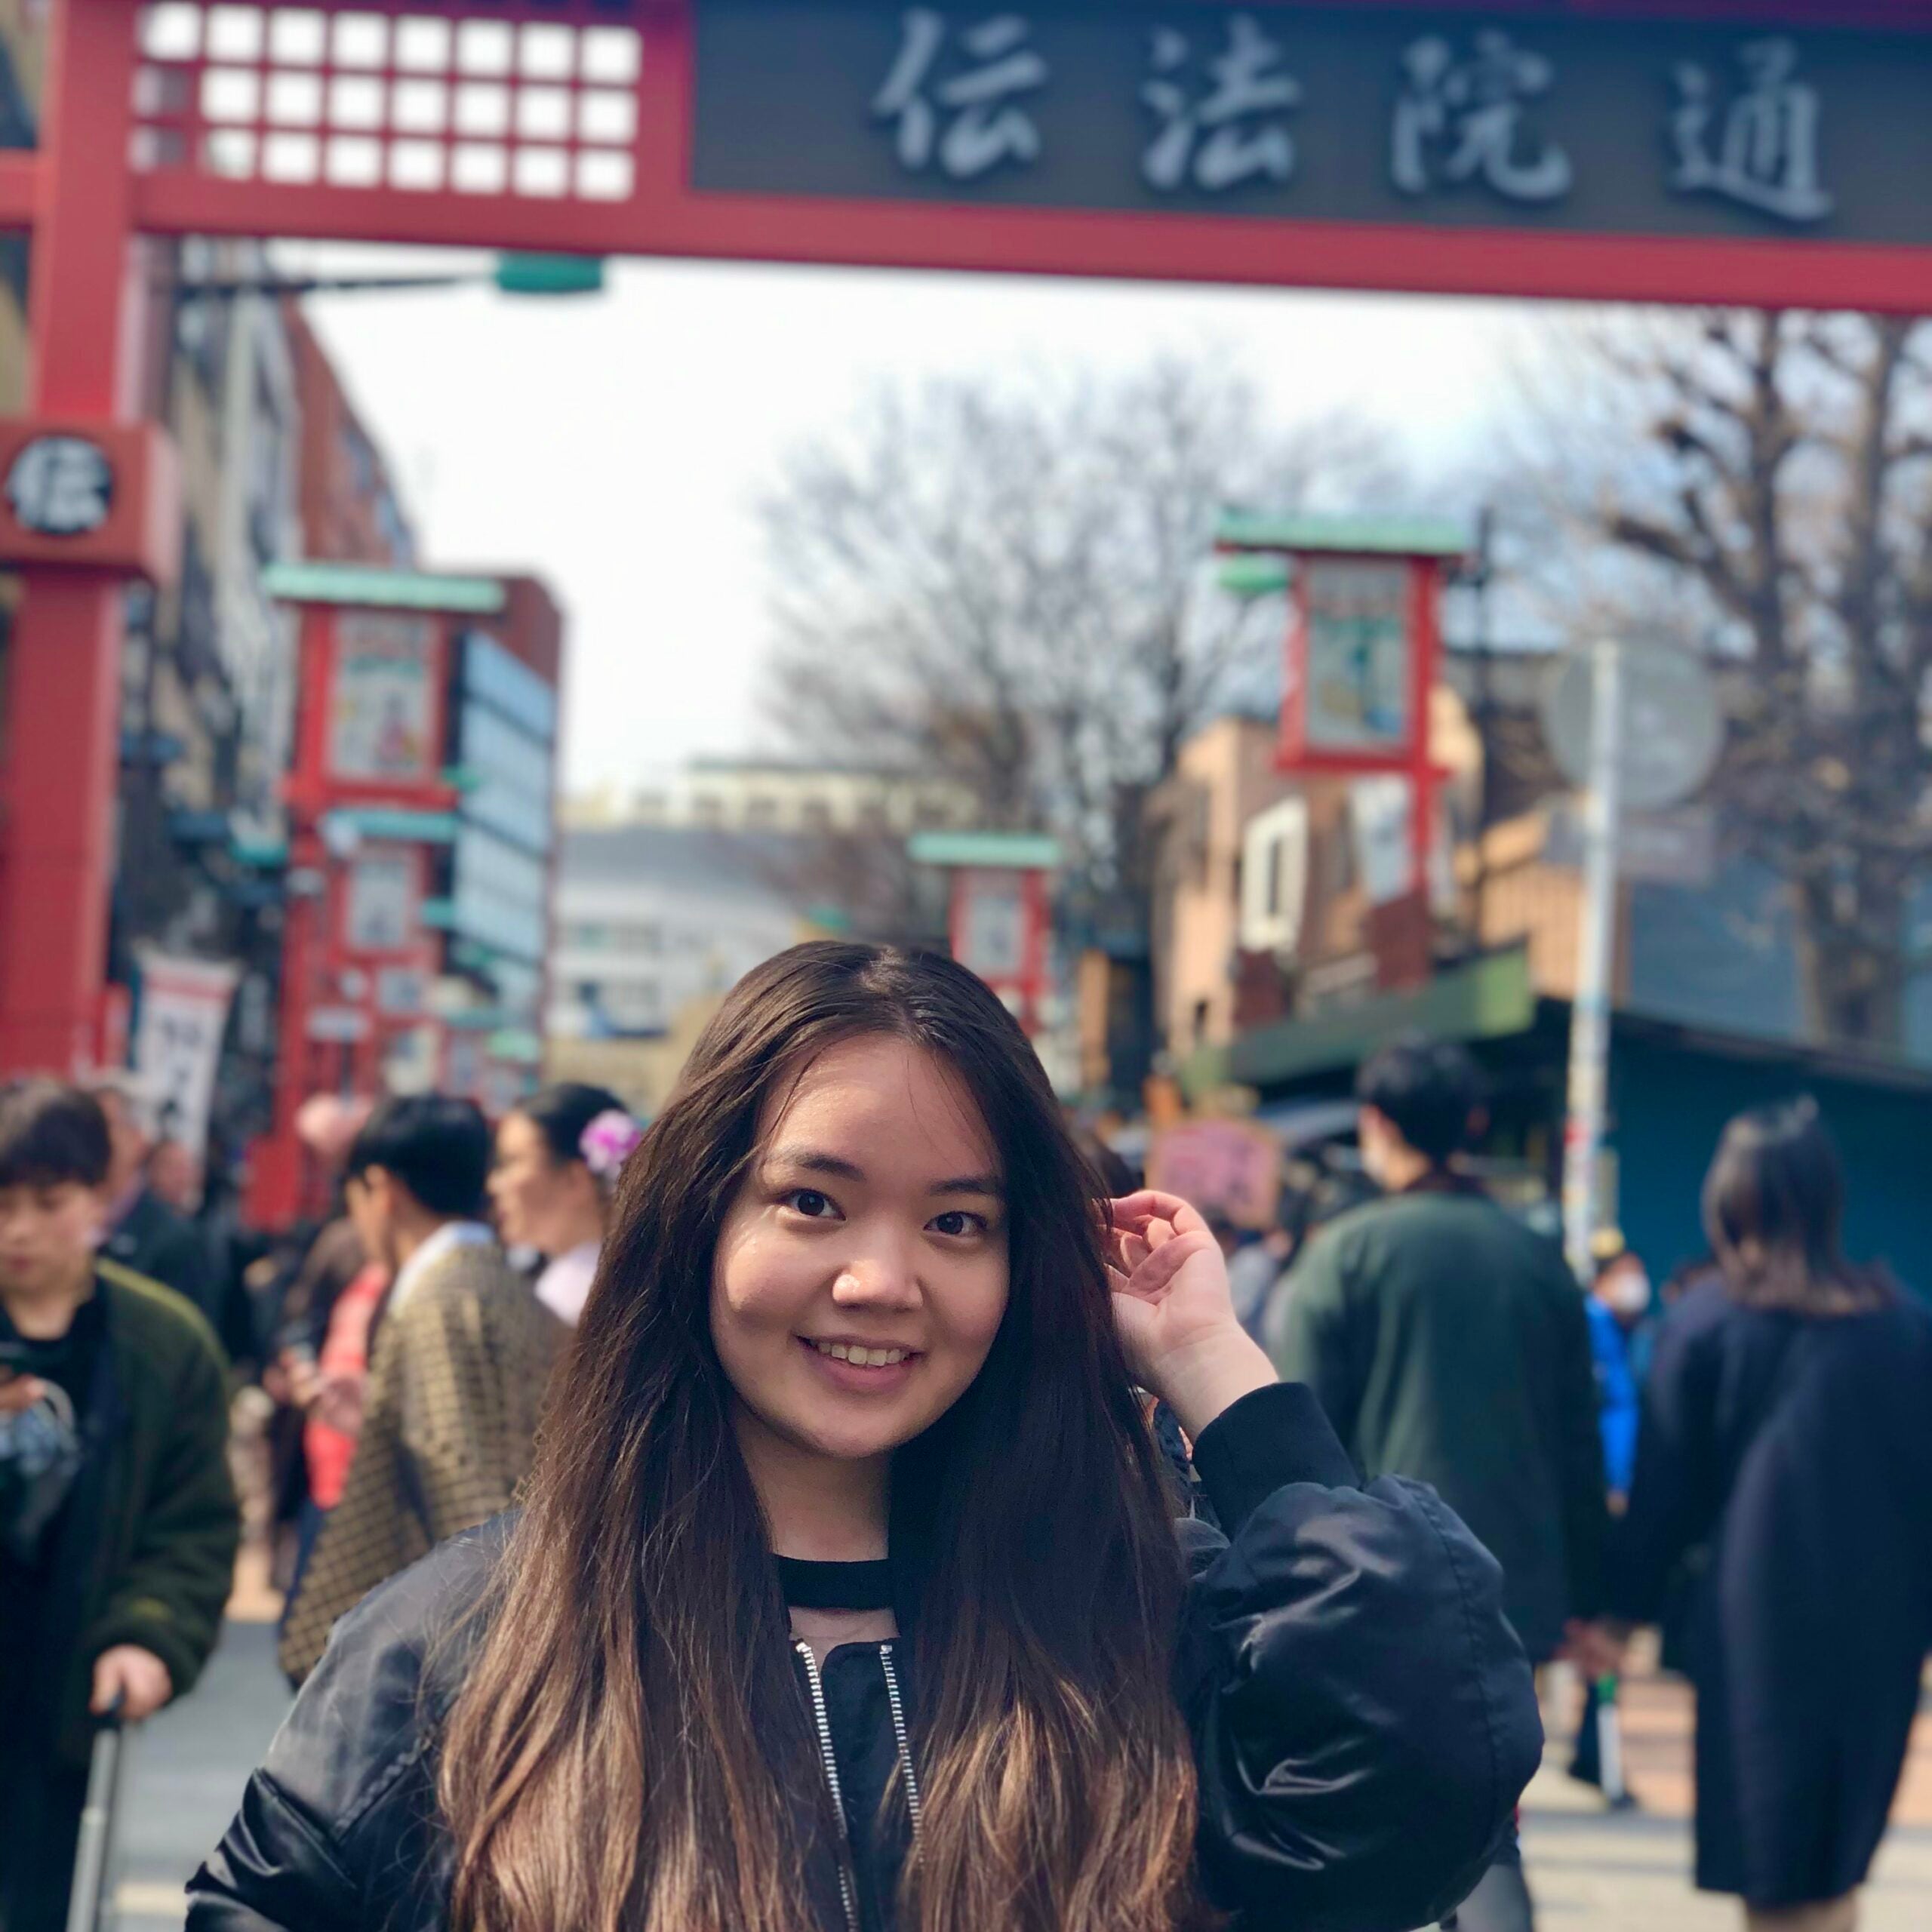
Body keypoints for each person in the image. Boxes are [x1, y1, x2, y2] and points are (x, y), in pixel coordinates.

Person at [192, 943, 1541, 1932]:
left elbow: (1425, 1771)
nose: (883, 1280)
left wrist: (1211, 1368)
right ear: (698, 1221)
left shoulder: (1141, 1625)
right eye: (815, 1204)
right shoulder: (476, 1642)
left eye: (959, 1222)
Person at [1270, 1035, 1609, 1932]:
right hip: (1513, 1585)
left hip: (1367, 1585)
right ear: (1473, 1124)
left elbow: (1294, 1442)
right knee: (1487, 1804)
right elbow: (1578, 1438)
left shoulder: (1343, 1254)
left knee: (1372, 1806)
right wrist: (1592, 1599)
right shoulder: (1538, 1261)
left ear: (1376, 1124)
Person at [1606, 1100, 1932, 1932]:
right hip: (1882, 1631)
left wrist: (1617, 1612)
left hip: (1759, 1632)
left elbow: (1662, 1501)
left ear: (1726, 1199)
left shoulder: (1706, 1322)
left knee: (1774, 1867)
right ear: (1828, 1198)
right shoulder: (1903, 1326)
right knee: (1833, 1859)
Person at [0, 1081, 238, 1932]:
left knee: (42, 1897)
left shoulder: (163, 1343)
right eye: (1, 1203)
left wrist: (148, 1631)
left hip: (65, 1691)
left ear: (100, 1195)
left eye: (46, 1202)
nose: (18, 1228)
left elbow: (195, 1521)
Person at [275, 1094, 566, 1686]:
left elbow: (464, 1487)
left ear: (381, 1188)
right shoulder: (494, 1278)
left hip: (447, 1658)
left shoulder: (438, 1297)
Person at [488, 1081, 641, 1327]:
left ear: (575, 1179)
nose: (494, 1183)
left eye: (511, 1162)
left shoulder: (574, 1299)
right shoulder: (635, 1282)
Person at [87, 1072, 217, 1324]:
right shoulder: (65, 1225)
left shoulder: (175, 1239)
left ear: (138, 1138)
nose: (87, 1140)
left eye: (104, 1125)